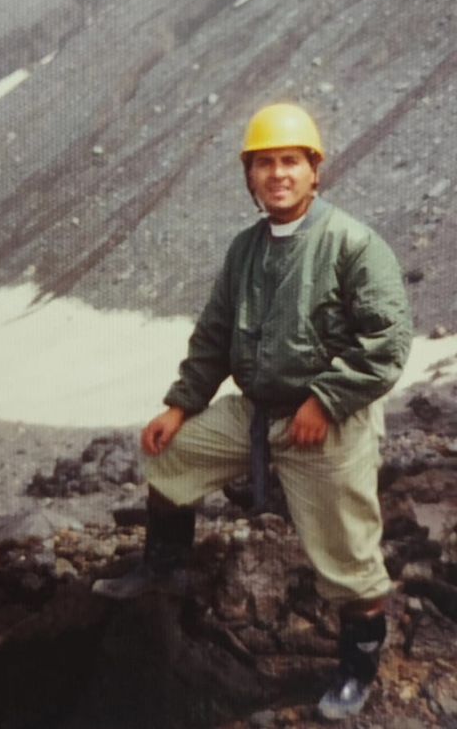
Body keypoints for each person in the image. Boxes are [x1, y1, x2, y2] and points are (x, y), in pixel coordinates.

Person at [91, 103, 411, 721]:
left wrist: (325, 401)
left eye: (290, 161)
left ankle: (357, 668)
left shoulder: (353, 244)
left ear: (315, 170)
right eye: (264, 164)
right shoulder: (246, 250)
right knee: (173, 456)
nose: (277, 174)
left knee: (348, 553)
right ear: (250, 177)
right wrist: (180, 405)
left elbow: (387, 342)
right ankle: (164, 570)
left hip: (328, 420)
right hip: (258, 410)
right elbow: (215, 334)